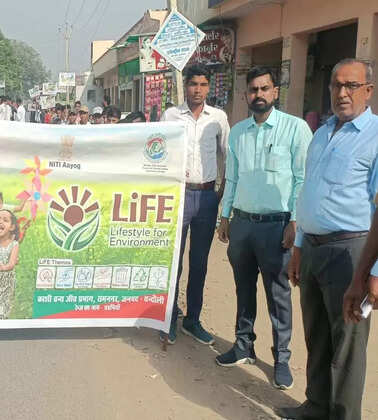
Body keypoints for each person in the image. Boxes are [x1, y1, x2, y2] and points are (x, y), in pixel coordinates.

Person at [278, 58, 377, 420]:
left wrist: (374, 273)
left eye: (351, 85)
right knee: (316, 336)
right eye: (336, 85)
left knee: (347, 347)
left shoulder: (375, 136)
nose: (342, 93)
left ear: (368, 91)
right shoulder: (322, 133)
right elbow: (311, 194)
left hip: (351, 252)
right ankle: (316, 407)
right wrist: (299, 249)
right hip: (313, 250)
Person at [215, 66, 312, 390]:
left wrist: (295, 222)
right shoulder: (238, 133)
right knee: (243, 289)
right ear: (246, 95)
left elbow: (302, 180)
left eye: (264, 88)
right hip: (243, 225)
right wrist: (225, 216)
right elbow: (232, 177)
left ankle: (281, 358)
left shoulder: (295, 129)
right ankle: (243, 346)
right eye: (253, 90)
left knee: (278, 295)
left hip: (277, 227)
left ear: (275, 91)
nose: (259, 94)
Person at [161, 65, 230, 345]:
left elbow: (228, 156)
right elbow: (158, 152)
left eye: (202, 84)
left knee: (199, 262)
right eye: (193, 84)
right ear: (185, 85)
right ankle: (168, 318)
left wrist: (222, 192)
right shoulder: (170, 116)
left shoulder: (219, 118)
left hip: (206, 197)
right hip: (177, 195)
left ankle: (193, 320)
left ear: (208, 87)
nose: (197, 90)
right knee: (173, 261)